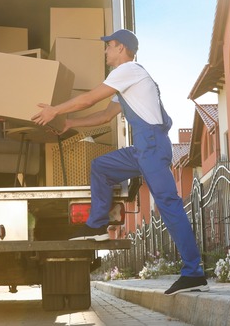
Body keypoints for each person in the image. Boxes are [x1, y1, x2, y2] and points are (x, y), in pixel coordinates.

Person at [32, 29, 209, 295]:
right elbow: (104, 115)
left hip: (151, 145)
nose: (106, 51)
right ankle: (97, 225)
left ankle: (193, 272)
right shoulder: (126, 81)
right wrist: (70, 123)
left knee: (169, 205)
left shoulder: (129, 70)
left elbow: (91, 98)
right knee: (101, 167)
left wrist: (55, 110)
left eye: (109, 46)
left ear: (122, 49)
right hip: (142, 148)